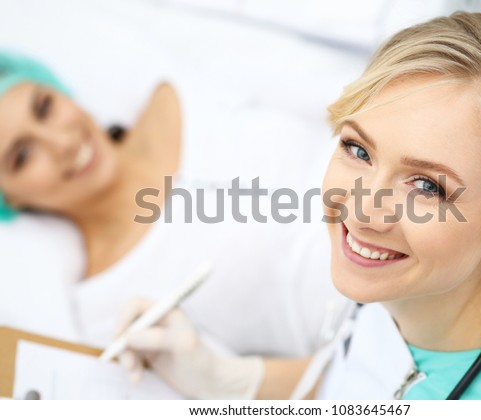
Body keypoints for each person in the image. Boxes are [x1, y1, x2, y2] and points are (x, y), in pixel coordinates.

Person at [116, 12, 481, 399]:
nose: (364, 210)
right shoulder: (408, 294)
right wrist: (223, 379)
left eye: (427, 186)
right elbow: (364, 383)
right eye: (358, 150)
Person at [0, 50, 345, 399]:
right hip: (381, 330)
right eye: (22, 156)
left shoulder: (178, 88)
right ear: (9, 200)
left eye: (44, 107)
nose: (61, 143)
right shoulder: (114, 312)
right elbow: (329, 390)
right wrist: (234, 383)